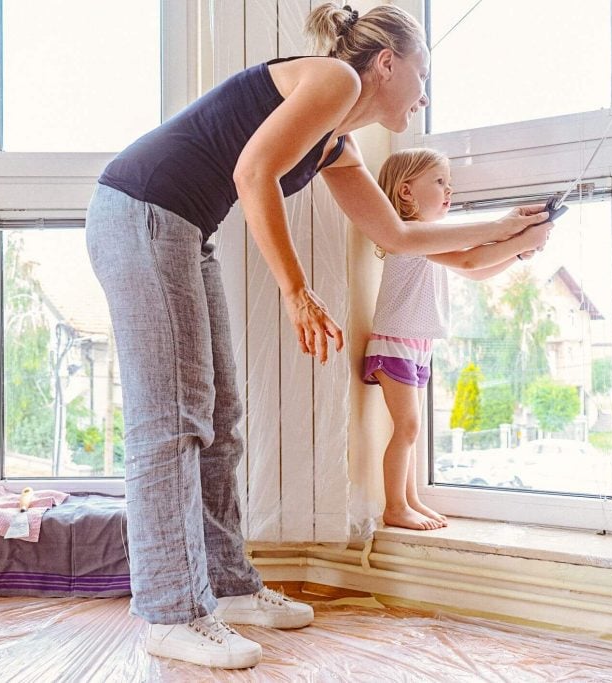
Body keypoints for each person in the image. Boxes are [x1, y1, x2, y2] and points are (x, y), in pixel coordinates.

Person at [85, 2, 552, 670]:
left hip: (181, 227)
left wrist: (504, 232)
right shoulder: (336, 80)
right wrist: (296, 289)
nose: (425, 95)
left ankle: (225, 584)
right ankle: (172, 611)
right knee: (171, 421)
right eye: (422, 75)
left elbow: (397, 235)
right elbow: (253, 173)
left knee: (219, 417)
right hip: (139, 212)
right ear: (386, 63)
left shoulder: (339, 140)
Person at [363, 148, 551, 532]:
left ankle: (409, 499)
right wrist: (518, 243)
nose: (449, 190)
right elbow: (471, 261)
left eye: (449, 183)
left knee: (410, 428)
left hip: (416, 344)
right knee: (408, 427)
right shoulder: (411, 236)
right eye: (439, 182)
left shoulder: (425, 240)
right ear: (406, 192)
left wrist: (518, 254)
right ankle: (395, 506)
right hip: (395, 342)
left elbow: (475, 268)